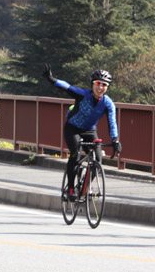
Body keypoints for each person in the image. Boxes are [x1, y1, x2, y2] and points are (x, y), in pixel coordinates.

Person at [43, 66, 119, 202]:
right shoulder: (83, 95)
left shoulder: (108, 104)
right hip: (73, 128)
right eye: (97, 84)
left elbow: (112, 122)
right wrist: (52, 80)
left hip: (89, 130)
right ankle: (71, 189)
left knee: (98, 160)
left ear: (107, 87)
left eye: (104, 85)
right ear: (92, 84)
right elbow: (68, 87)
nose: (100, 87)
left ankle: (83, 189)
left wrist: (115, 140)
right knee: (76, 154)